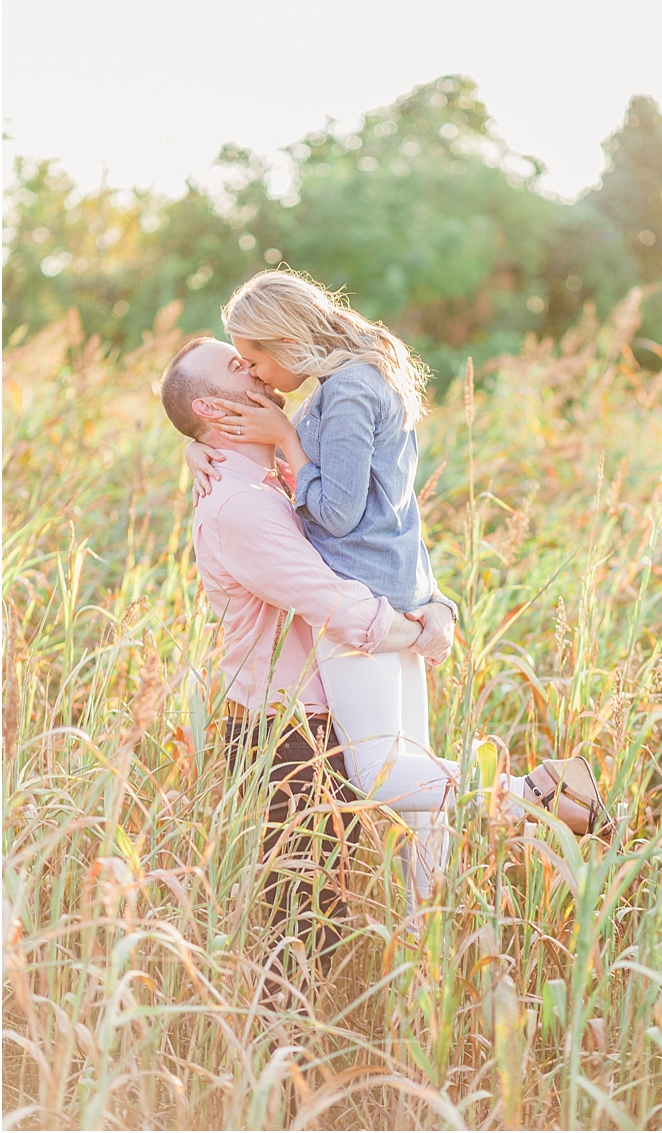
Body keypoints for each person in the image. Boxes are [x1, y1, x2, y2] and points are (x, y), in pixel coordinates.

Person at [185, 271, 611, 840]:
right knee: (417, 787)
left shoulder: (345, 392)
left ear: (285, 340)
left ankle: (532, 791)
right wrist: (199, 444)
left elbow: (337, 513)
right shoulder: (363, 378)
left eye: (254, 361)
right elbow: (377, 505)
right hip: (397, 591)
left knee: (375, 771)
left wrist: (287, 438)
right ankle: (423, 919)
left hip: (366, 599)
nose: (259, 376)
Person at [161, 336, 459, 984]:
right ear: (215, 406)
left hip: (314, 719)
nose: (261, 374)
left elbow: (380, 527)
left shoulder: (271, 473)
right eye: (240, 368)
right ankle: (523, 796)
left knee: (324, 915)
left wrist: (432, 602)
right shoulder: (241, 503)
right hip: (284, 732)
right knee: (300, 929)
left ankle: (397, 999)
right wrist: (424, 629)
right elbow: (339, 608)